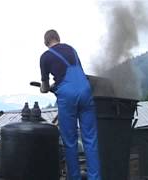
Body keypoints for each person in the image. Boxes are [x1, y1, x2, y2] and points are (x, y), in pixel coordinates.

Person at [39, 29, 101, 180]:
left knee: (70, 141)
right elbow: (75, 71)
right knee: (90, 139)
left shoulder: (45, 57)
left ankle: (75, 177)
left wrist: (47, 88)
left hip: (67, 95)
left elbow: (45, 87)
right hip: (86, 91)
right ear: (58, 38)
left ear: (46, 42)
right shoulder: (72, 49)